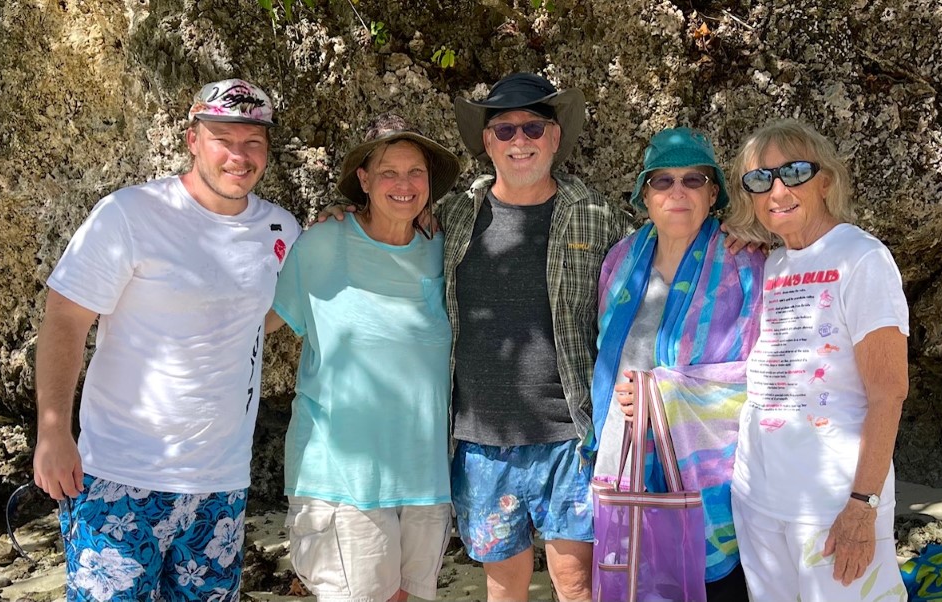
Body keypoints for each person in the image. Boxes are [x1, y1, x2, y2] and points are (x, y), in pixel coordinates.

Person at [33, 79, 300, 601]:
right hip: (118, 477)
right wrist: (52, 432)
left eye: (253, 142)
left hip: (221, 484)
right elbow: (65, 319)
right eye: (223, 139)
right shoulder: (129, 214)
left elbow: (268, 316)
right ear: (193, 140)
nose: (239, 155)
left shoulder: (281, 229)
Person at [440, 72, 634, 602]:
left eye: (533, 127)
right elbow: (389, 231)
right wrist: (343, 213)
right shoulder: (454, 214)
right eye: (504, 130)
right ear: (487, 142)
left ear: (554, 137)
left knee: (577, 584)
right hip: (481, 439)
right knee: (503, 587)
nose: (519, 140)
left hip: (571, 437)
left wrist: (731, 234)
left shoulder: (596, 215)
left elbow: (653, 271)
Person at [268, 114, 460, 602]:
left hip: (425, 475)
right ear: (364, 180)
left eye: (415, 172)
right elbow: (258, 322)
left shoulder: (443, 247)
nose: (404, 184)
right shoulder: (322, 243)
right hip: (342, 476)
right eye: (388, 172)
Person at [726, 119, 910, 601]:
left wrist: (862, 505)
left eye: (795, 172)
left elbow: (889, 392)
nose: (777, 190)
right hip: (758, 498)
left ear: (825, 180)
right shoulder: (770, 263)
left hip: (833, 504)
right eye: (760, 179)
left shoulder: (862, 258)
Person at [588, 128, 763, 601]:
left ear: (713, 193)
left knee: (719, 588)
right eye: (662, 181)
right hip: (625, 457)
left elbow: (763, 372)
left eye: (693, 179)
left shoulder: (746, 261)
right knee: (640, 582)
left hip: (713, 471)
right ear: (644, 195)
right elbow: (605, 354)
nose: (677, 192)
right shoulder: (621, 260)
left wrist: (660, 393)